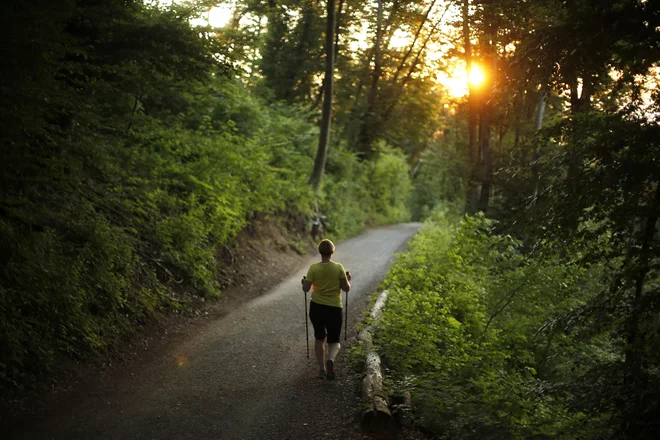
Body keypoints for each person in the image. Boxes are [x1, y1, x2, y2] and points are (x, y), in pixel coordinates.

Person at [301, 239, 351, 380]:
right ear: (332, 252)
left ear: (320, 251)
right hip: (334, 307)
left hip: (316, 307)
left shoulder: (313, 268)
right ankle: (331, 360)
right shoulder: (338, 267)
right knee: (334, 340)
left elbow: (306, 288)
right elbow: (346, 288)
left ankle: (322, 369)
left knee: (319, 336)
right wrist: (348, 279)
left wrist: (304, 282)